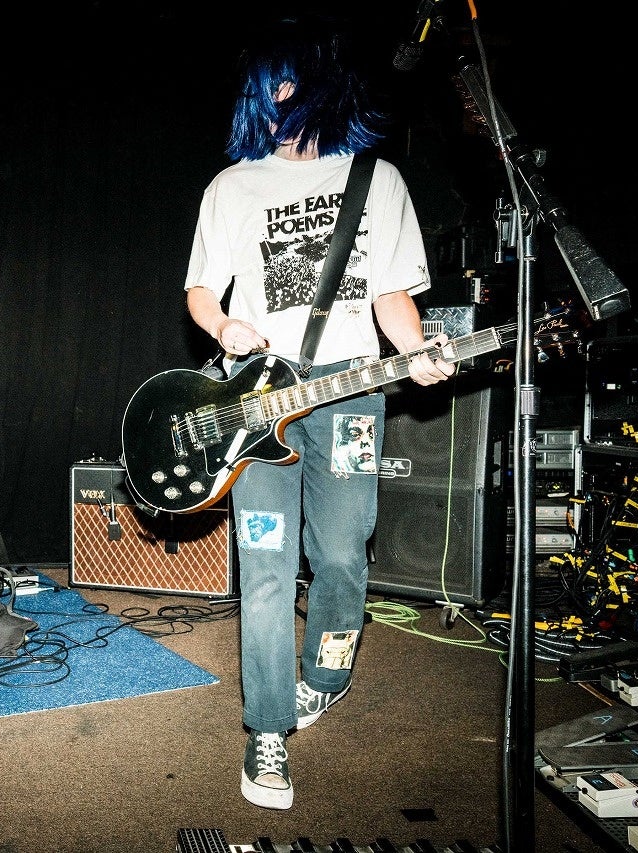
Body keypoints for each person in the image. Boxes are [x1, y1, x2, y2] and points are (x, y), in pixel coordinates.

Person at [182, 14, 454, 810]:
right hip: (260, 395)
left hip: (351, 392)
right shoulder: (231, 187)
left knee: (341, 553)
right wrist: (225, 327)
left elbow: (392, 294)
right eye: (267, 90)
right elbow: (201, 290)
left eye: (288, 85)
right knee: (265, 564)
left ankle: (325, 674)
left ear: (318, 88)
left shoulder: (378, 179)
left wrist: (419, 350)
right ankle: (266, 728)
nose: (277, 101)